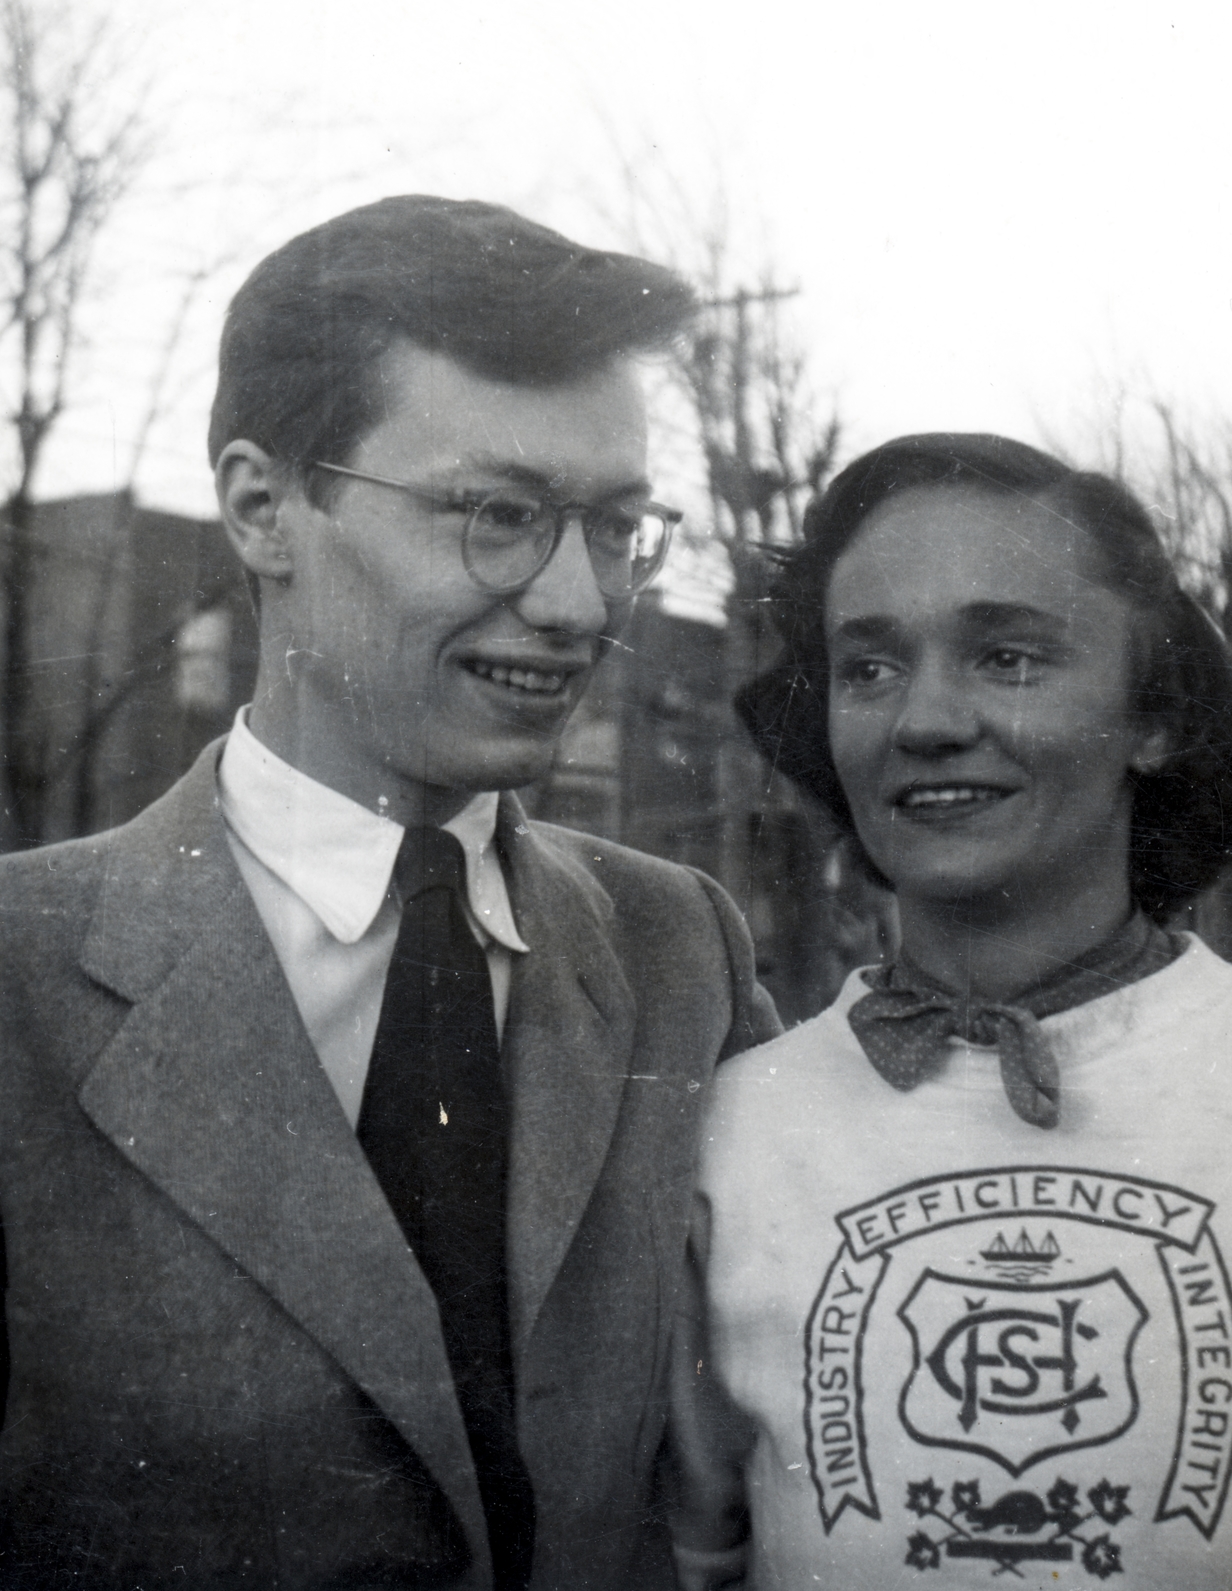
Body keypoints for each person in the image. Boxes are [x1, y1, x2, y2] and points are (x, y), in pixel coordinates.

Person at [0, 195, 779, 1590]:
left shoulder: (684, 951)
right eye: (498, 514)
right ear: (262, 507)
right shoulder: (16, 976)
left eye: (614, 527)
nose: (580, 602)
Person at [671, 433, 1232, 1589]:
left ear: (1156, 718)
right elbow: (688, 1561)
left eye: (1008, 656)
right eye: (870, 667)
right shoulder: (732, 1131)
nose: (924, 719)